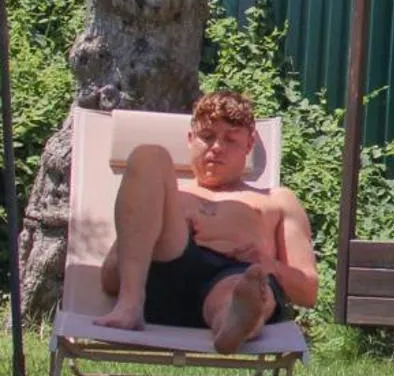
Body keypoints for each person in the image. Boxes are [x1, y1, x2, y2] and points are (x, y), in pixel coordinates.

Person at [92, 90, 317, 354]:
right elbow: (109, 276)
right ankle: (129, 305)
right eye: (207, 137)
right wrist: (164, 228)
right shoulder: (166, 196)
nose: (217, 147)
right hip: (166, 269)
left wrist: (269, 264)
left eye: (231, 139)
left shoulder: (277, 200)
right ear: (190, 139)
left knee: (241, 290)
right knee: (148, 155)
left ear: (249, 144)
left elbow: (308, 291)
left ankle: (232, 324)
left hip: (236, 272)